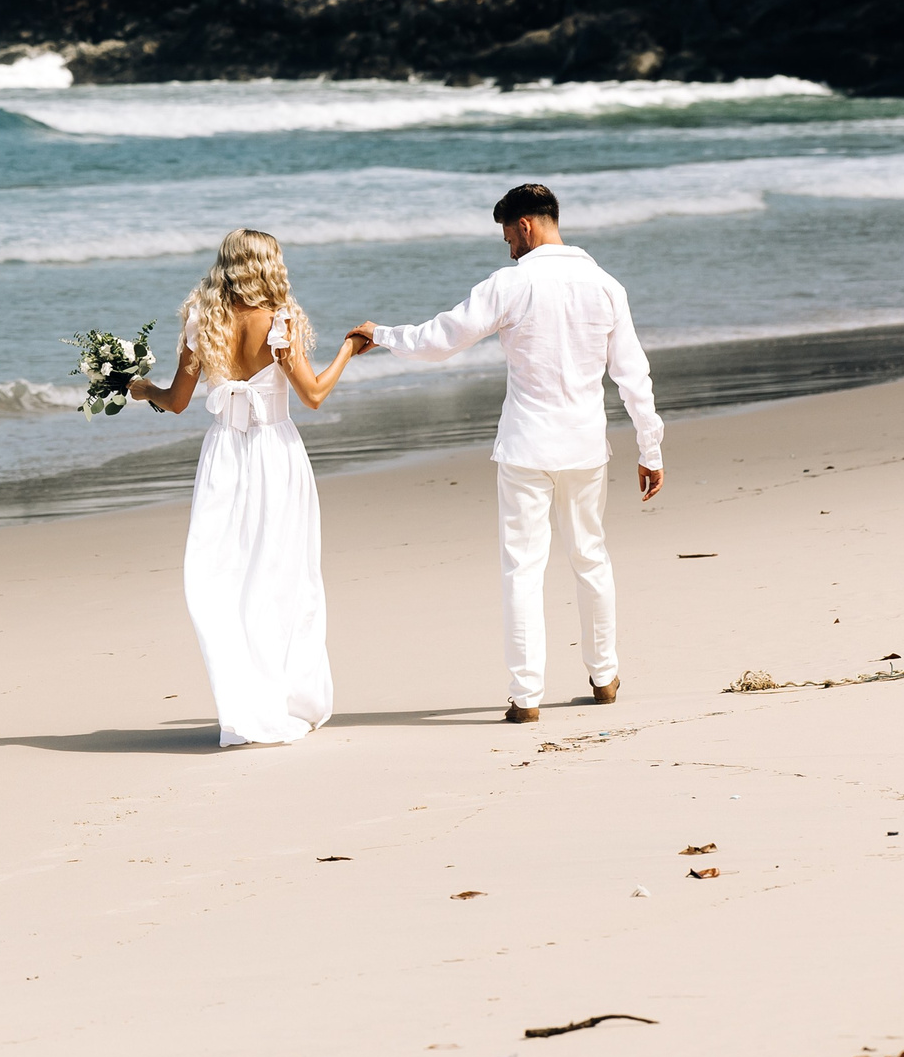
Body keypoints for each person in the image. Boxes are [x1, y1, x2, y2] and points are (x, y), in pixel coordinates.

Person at [356, 184, 665, 724]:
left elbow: (441, 339)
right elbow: (633, 376)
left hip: (526, 446)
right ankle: (604, 677)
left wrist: (380, 334)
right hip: (586, 445)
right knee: (590, 558)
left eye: (507, 237)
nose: (508, 248)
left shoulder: (513, 283)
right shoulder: (607, 286)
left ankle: (526, 698)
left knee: (522, 569)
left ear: (525, 225)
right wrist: (650, 447)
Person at [130, 229, 369, 747]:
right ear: (268, 265)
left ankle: (241, 705)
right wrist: (350, 348)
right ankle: (282, 698)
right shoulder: (279, 321)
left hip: (223, 457)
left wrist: (141, 388)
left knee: (222, 577)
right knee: (283, 575)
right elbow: (313, 396)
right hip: (275, 454)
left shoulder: (203, 320)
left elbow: (175, 401)